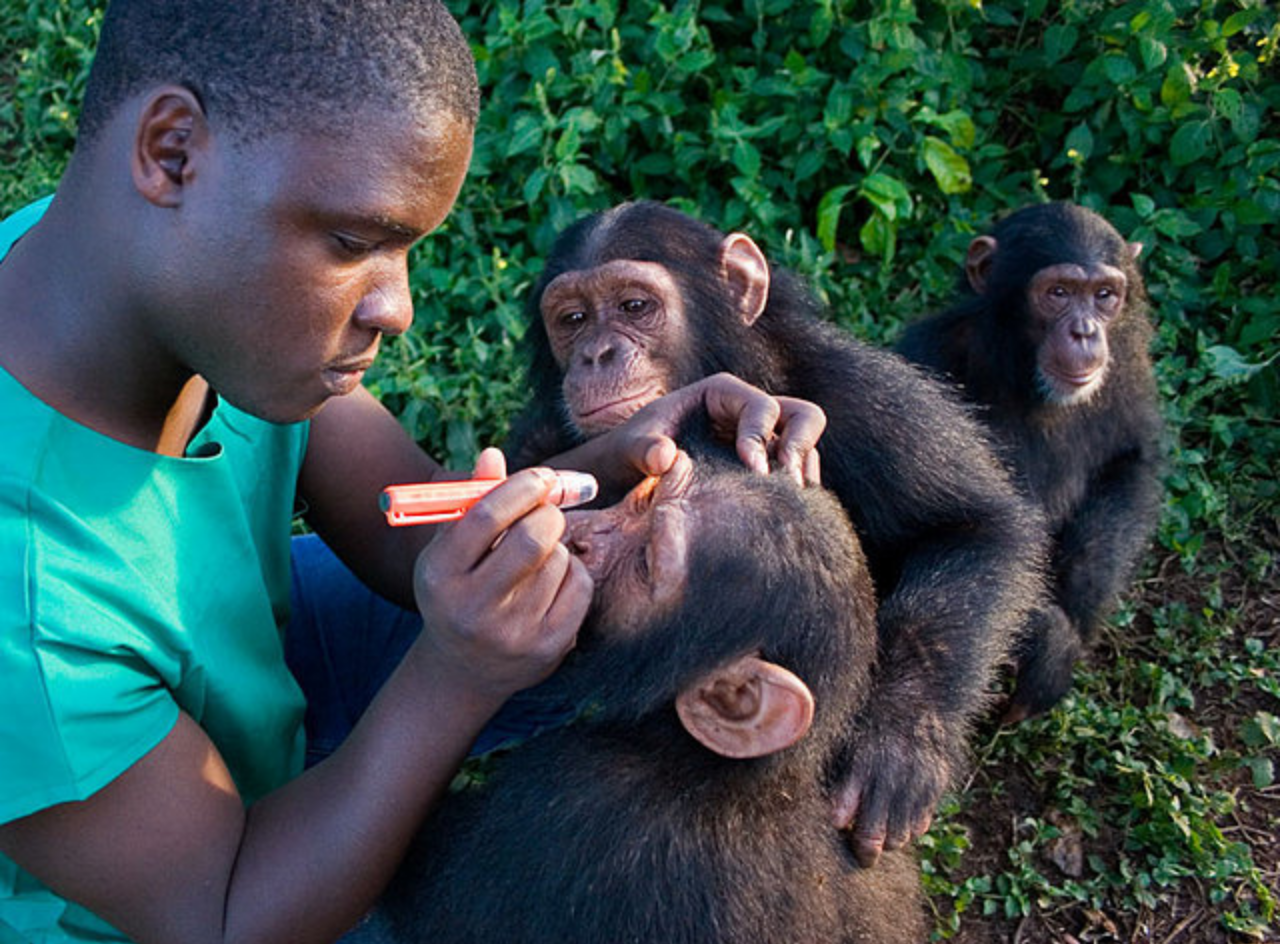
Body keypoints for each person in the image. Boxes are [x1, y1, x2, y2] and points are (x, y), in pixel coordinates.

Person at [0, 3, 825, 943]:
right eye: (355, 244)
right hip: (187, 886)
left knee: (626, 618)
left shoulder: (140, 278)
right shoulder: (19, 606)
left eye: (406, 248)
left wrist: (620, 456)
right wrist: (455, 677)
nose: (397, 307)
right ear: (173, 151)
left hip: (243, 659)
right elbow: (226, 917)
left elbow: (411, 526)